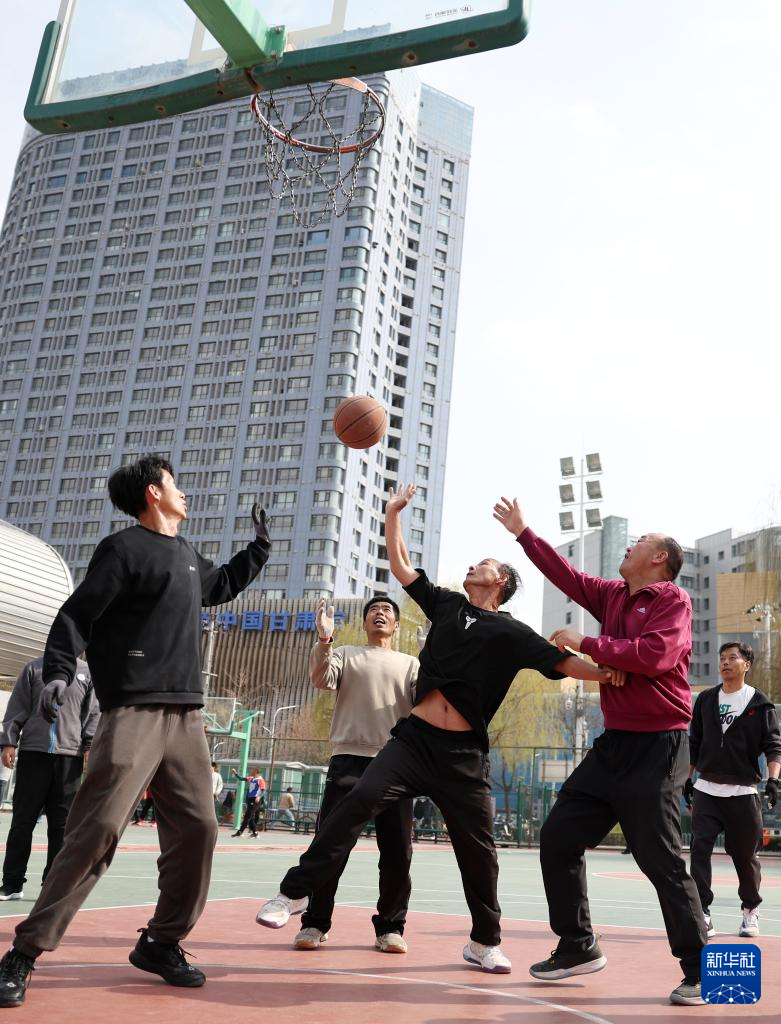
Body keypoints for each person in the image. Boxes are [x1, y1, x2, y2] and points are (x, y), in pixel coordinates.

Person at [257, 484, 615, 975]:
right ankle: (294, 892)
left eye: (482, 563)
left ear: (501, 580)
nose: (472, 566)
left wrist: (608, 670)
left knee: (479, 852)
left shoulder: (512, 633)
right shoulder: (447, 605)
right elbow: (402, 565)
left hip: (463, 755)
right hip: (413, 741)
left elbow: (564, 663)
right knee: (358, 802)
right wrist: (392, 514)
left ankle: (484, 942)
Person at [0, 454, 271, 1009]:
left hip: (187, 718)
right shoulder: (123, 550)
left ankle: (161, 942)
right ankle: (23, 953)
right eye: (175, 483)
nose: (183, 492)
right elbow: (76, 615)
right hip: (133, 712)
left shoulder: (187, 555)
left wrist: (259, 550)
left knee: (199, 829)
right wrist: (57, 672)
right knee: (97, 828)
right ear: (153, 492)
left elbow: (219, 585)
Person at [494, 496, 707, 1007]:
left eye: (641, 541)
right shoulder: (613, 595)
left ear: (659, 558)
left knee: (660, 860)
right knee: (558, 837)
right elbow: (564, 574)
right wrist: (524, 532)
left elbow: (655, 655)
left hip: (659, 744)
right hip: (613, 745)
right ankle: (578, 944)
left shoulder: (672, 600)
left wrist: (588, 644)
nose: (632, 545)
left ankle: (706, 971)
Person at [293, 594, 418, 955]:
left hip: (396, 764)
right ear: (364, 623)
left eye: (387, 611)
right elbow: (321, 679)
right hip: (348, 760)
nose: (380, 613)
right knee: (330, 846)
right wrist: (324, 639)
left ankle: (390, 928)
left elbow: (426, 700)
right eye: (373, 610)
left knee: (397, 852)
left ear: (396, 626)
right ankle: (315, 923)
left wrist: (434, 656)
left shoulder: (411, 663)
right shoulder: (346, 653)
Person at [686, 641, 781, 939]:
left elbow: (773, 746)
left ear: (746, 665)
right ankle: (702, 911)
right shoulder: (706, 699)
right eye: (722, 657)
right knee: (699, 850)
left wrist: (773, 780)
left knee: (745, 857)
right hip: (707, 789)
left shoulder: (759, 703)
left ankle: (750, 910)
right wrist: (687, 779)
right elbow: (694, 742)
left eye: (732, 658)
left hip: (743, 793)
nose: (725, 662)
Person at [0, 656, 98, 901]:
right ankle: (12, 884)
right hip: (33, 753)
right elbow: (18, 706)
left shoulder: (88, 672)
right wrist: (9, 741)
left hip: (70, 757)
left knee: (62, 826)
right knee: (22, 822)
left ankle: (53, 886)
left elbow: (93, 713)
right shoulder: (33, 668)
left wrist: (89, 746)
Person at [231, 767, 265, 837]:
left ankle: (240, 832)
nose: (251, 771)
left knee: (247, 816)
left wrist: (259, 797)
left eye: (253, 770)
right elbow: (241, 778)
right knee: (250, 817)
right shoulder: (251, 778)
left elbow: (264, 791)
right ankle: (255, 833)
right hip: (250, 799)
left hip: (256, 800)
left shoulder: (260, 780)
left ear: (256, 771)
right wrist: (235, 773)